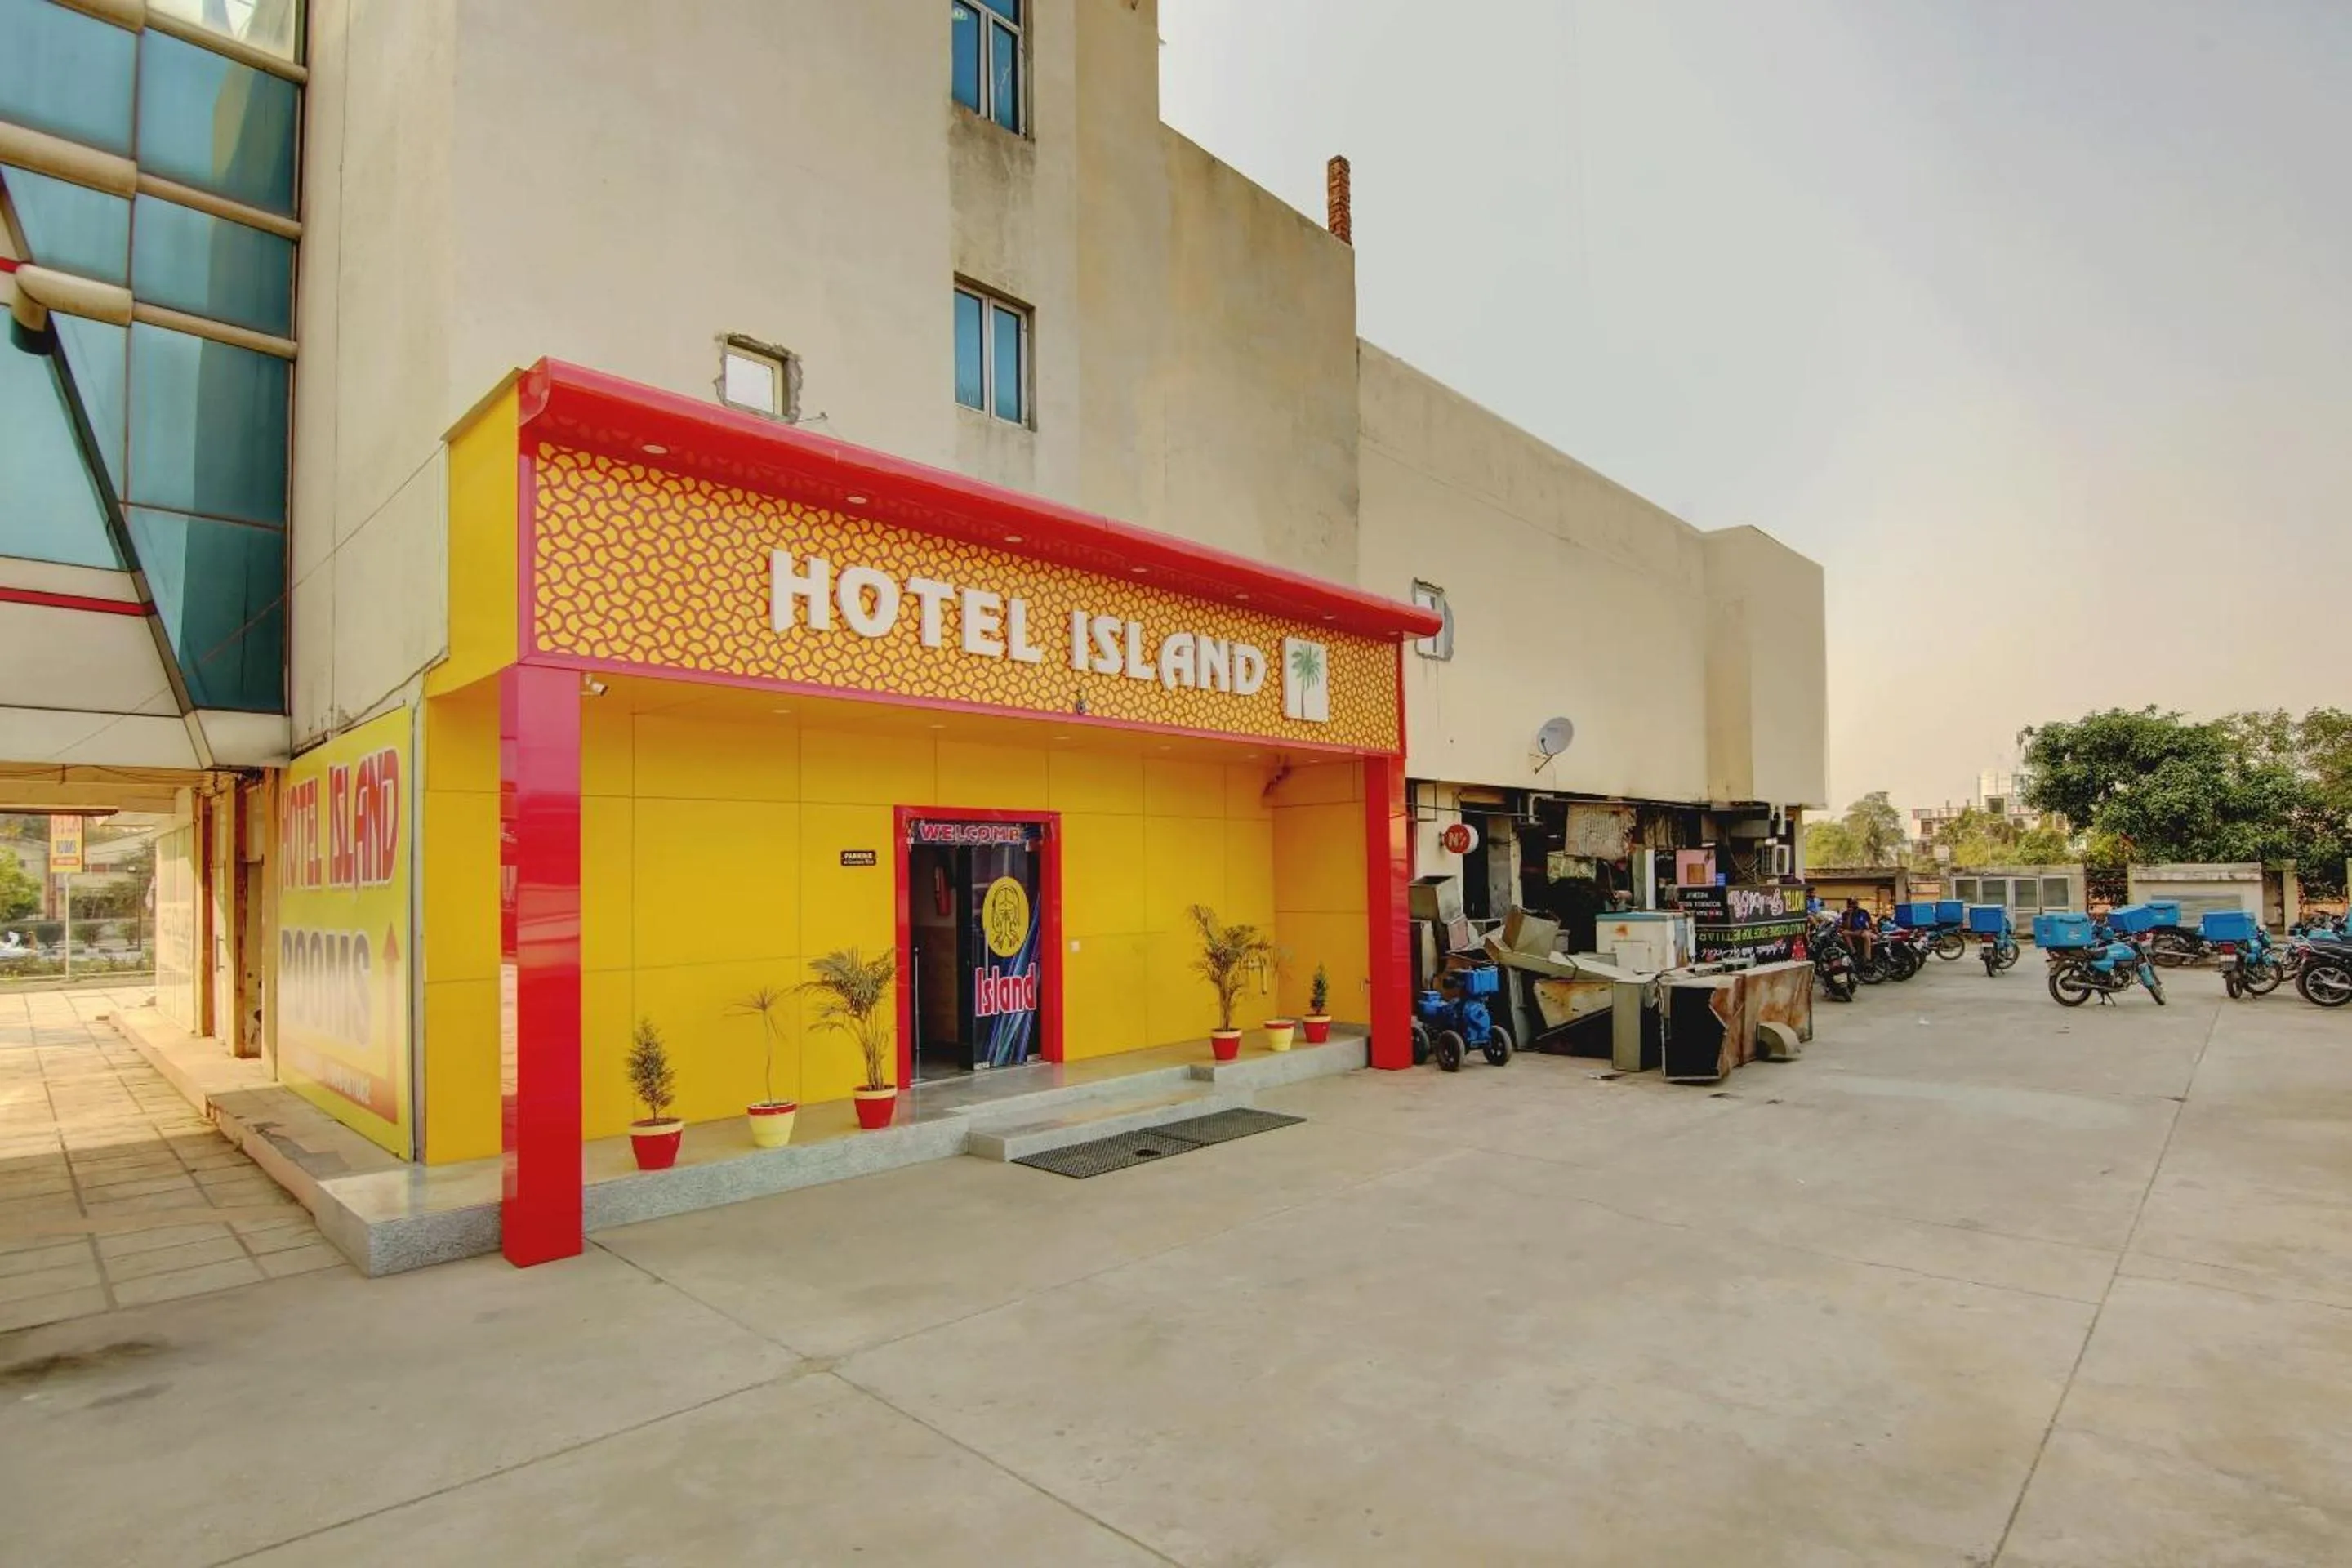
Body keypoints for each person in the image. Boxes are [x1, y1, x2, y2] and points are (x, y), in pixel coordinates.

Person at [1841, 898, 1876, 963]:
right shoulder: (1845, 914)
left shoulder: (1863, 912)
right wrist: (1850, 915)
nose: (1854, 905)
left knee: (1866, 935)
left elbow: (1870, 924)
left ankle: (1868, 958)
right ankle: (1853, 951)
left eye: (1855, 903)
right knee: (1844, 933)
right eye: (1852, 904)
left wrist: (1874, 931)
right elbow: (1846, 927)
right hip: (1854, 932)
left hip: (1864, 931)